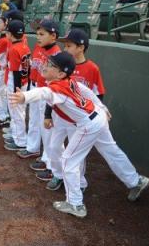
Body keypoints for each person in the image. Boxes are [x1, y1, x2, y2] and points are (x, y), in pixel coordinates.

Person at [8, 52, 149, 218]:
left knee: (68, 160)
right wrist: (102, 108)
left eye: (51, 65)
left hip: (88, 124)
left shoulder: (57, 88)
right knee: (111, 150)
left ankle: (75, 204)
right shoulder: (68, 80)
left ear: (61, 73)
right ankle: (136, 181)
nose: (45, 65)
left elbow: (43, 93)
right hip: (97, 117)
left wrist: (25, 96)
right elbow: (88, 92)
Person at [44, 28, 106, 192]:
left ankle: (79, 181)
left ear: (81, 47)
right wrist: (47, 114)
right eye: (65, 45)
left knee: (77, 154)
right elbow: (51, 93)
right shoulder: (60, 67)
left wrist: (99, 112)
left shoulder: (92, 68)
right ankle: (58, 174)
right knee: (53, 147)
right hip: (59, 116)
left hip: (78, 119)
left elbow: (97, 95)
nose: (65, 48)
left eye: (69, 45)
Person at [16, 20, 61, 182]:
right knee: (34, 121)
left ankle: (49, 161)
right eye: (37, 33)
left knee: (47, 128)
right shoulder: (38, 47)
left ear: (54, 36)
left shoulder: (56, 53)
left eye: (42, 34)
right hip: (35, 87)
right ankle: (33, 148)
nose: (38, 37)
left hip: (47, 92)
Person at [3, 20, 31, 151]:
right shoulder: (25, 46)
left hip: (16, 83)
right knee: (19, 112)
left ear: (10, 34)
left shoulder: (14, 49)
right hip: (24, 82)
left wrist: (16, 91)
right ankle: (17, 136)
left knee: (16, 112)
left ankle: (20, 141)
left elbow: (16, 73)